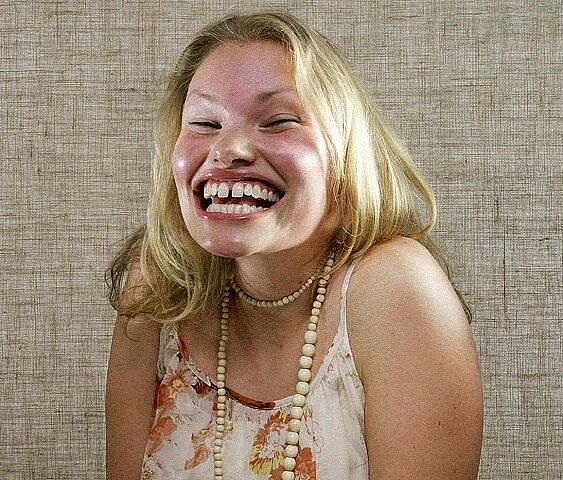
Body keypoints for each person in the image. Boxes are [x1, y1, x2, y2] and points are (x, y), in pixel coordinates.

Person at [105, 12, 483, 480]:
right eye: (204, 122)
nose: (229, 149)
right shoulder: (157, 285)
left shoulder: (395, 287)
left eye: (278, 121)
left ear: (344, 153)